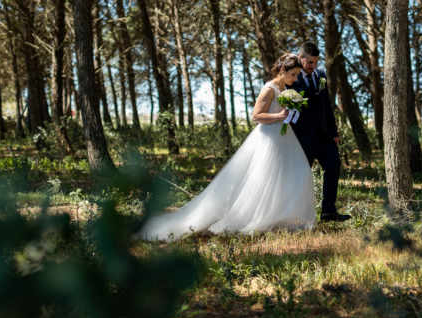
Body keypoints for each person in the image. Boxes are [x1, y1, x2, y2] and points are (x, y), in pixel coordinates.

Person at [135, 53, 315, 242]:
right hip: (269, 138)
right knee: (265, 177)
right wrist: (279, 116)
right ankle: (256, 217)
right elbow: (256, 116)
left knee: (293, 174)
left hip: (284, 137)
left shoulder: (284, 88)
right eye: (293, 74)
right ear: (282, 70)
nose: (295, 79)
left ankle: (279, 216)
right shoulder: (269, 89)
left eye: (296, 75)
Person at [288, 41, 350, 222]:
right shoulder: (291, 78)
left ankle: (328, 212)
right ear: (300, 58)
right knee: (300, 176)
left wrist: (334, 132)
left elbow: (327, 106)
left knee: (334, 166)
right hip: (301, 137)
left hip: (324, 136)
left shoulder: (321, 75)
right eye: (309, 62)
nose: (313, 66)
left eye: (316, 62)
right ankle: (297, 216)